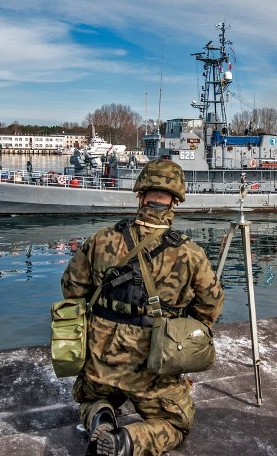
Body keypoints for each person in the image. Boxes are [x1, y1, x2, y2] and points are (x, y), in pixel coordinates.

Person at [60, 159, 224, 456]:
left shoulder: (102, 239)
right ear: (175, 201)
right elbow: (211, 305)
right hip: (154, 364)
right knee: (176, 422)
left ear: (139, 196)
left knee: (89, 397)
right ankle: (127, 441)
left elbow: (71, 289)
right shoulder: (190, 253)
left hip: (101, 360)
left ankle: (101, 414)